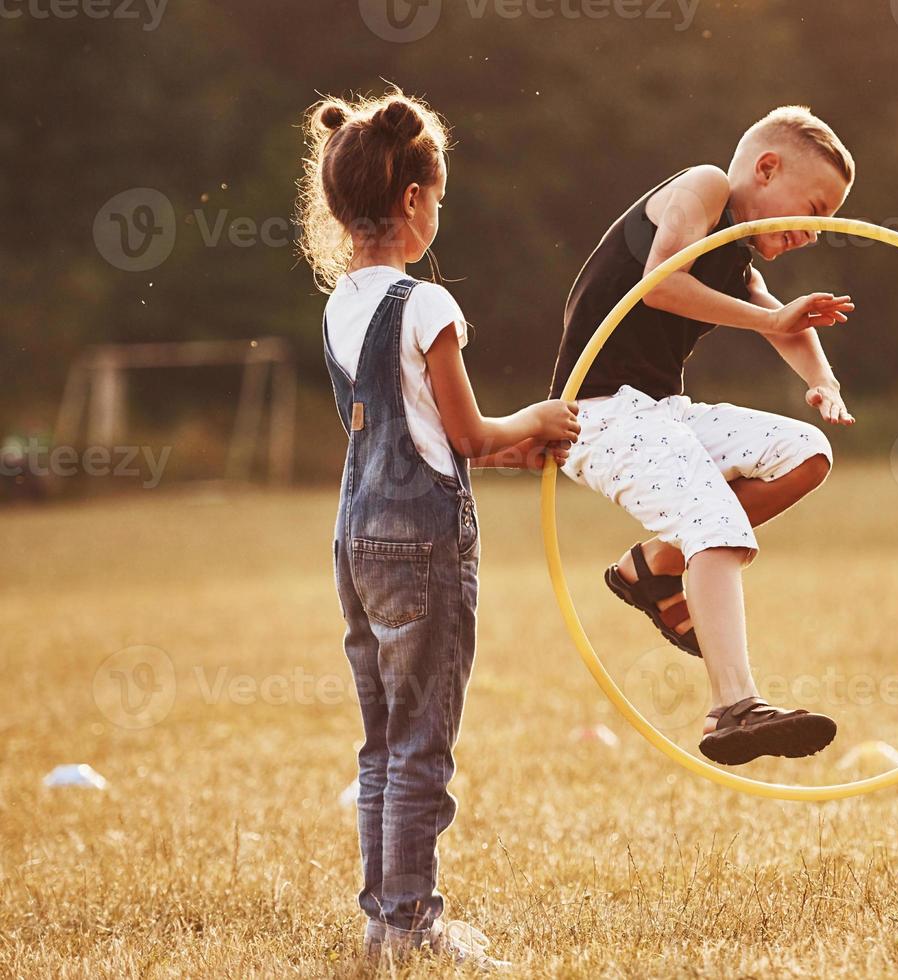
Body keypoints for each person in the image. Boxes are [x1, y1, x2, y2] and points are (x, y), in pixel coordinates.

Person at [298, 87, 580, 966]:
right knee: (422, 742)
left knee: (383, 739)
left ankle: (385, 920)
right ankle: (412, 923)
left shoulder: (341, 304)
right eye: (441, 199)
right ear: (414, 200)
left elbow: (416, 429)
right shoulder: (428, 307)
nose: (439, 214)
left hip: (357, 539)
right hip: (422, 545)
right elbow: (464, 434)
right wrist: (535, 420)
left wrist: (509, 451)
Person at [549, 106, 857, 766]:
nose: (813, 232)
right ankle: (734, 706)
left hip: (663, 410)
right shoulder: (705, 187)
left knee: (806, 453)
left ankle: (654, 567)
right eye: (813, 208)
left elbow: (785, 323)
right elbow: (661, 284)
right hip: (600, 415)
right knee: (716, 524)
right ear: (766, 169)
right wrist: (766, 320)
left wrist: (824, 382)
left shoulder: (737, 253)